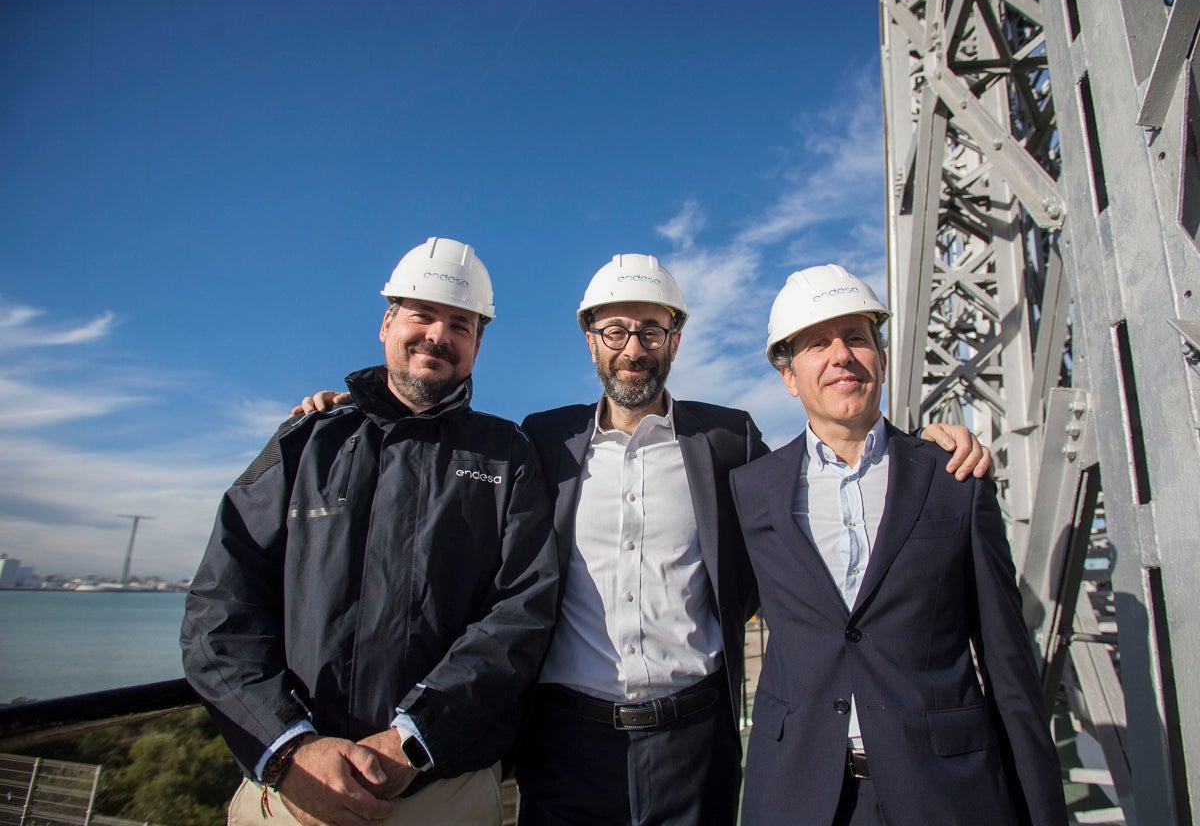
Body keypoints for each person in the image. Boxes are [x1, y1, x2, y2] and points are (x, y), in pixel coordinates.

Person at [294, 254, 992, 826]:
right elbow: (444, 438)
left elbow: (823, 466)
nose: (634, 349)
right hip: (566, 743)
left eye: (651, 331)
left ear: (675, 340)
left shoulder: (728, 437)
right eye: (616, 332)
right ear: (591, 340)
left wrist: (920, 445)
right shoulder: (541, 439)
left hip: (693, 742)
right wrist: (355, 407)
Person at [181, 237, 560, 826]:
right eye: (422, 315)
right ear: (387, 322)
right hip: (293, 792)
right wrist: (287, 748)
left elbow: (523, 612)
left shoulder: (507, 454)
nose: (438, 334)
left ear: (477, 345)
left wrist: (413, 738)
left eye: (460, 324)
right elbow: (220, 608)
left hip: (444, 793)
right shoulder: (305, 442)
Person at [729, 265, 1068, 826]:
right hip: (798, 794)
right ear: (789, 376)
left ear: (880, 359)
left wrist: (1041, 809)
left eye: (856, 338)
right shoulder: (751, 491)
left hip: (945, 791)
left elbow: (1008, 663)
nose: (841, 355)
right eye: (818, 343)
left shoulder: (953, 476)